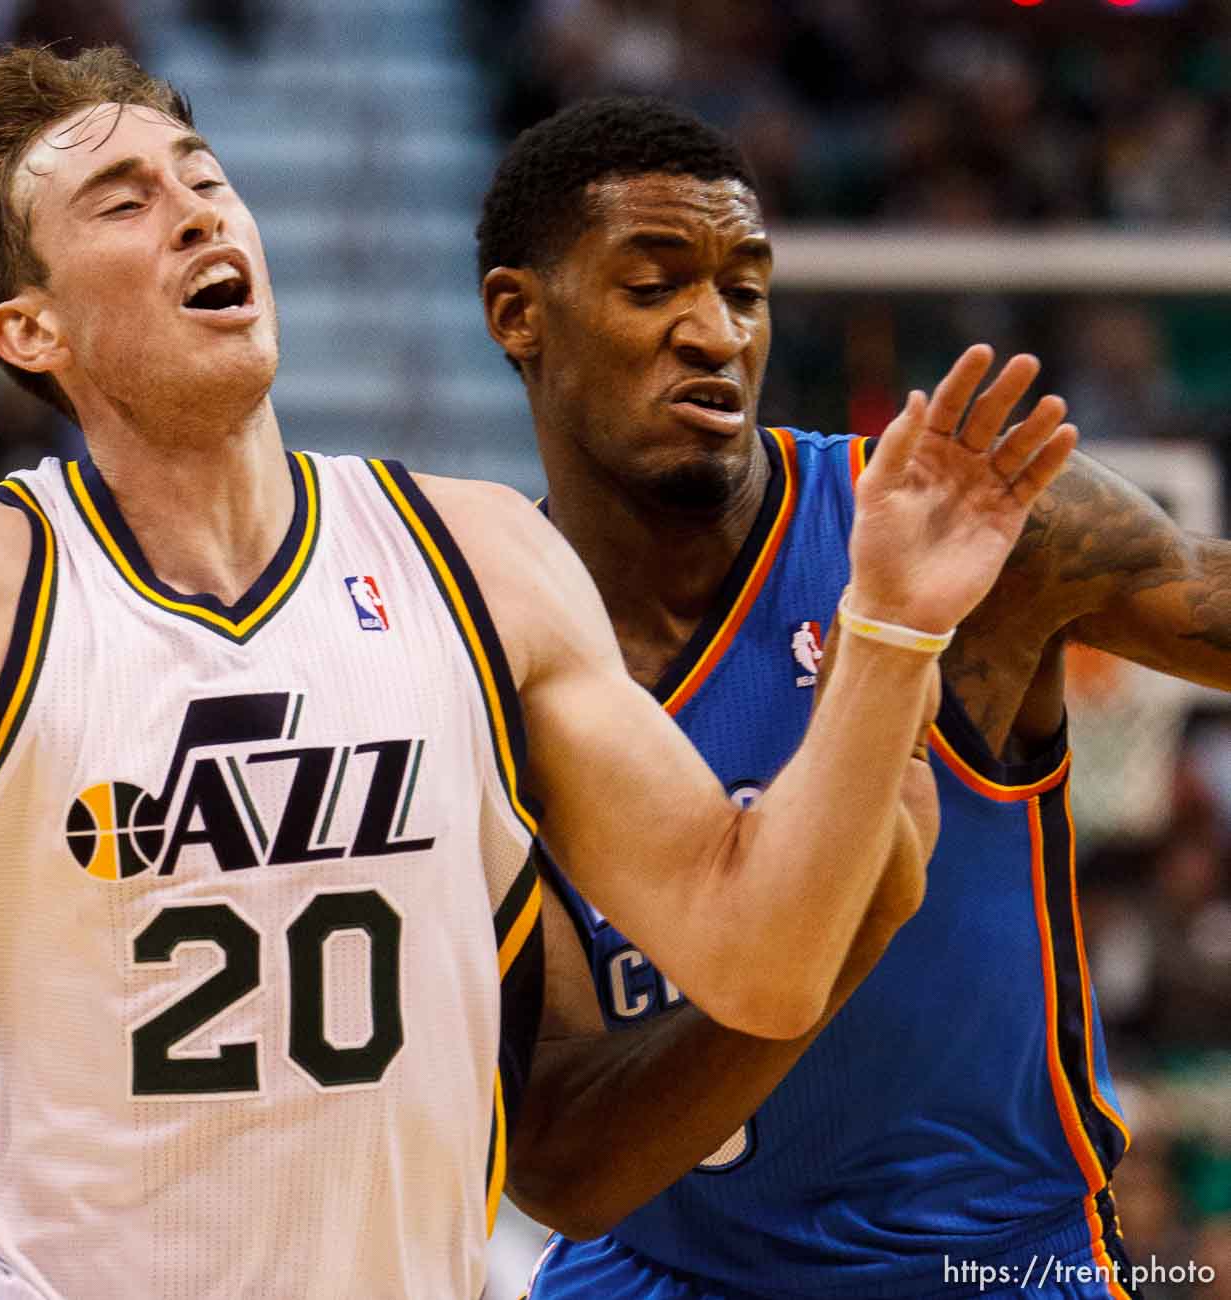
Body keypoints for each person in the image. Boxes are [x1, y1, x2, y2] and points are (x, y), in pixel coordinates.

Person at [0, 47, 1071, 1300]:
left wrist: (888, 627)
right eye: (122, 202)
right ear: (32, 326)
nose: (197, 214)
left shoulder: (476, 561)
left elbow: (760, 958)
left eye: (206, 181)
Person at [475, 96, 1231, 1300]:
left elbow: (1200, 588)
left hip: (989, 1267)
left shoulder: (961, 527)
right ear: (518, 315)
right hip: (651, 1266)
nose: (712, 333)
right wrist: (827, 930)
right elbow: (561, 1163)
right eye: (652, 286)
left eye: (743, 290)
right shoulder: (477, 635)